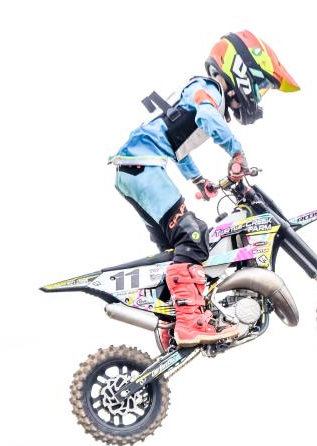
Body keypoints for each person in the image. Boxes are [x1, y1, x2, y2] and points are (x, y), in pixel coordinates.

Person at [109, 30, 300, 347]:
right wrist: (237, 153)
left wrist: (200, 181)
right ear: (241, 70)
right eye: (261, 86)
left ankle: (171, 321)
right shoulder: (207, 89)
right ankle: (190, 322)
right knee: (195, 233)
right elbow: (208, 116)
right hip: (142, 166)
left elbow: (178, 148)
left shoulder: (197, 93)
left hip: (137, 168)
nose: (259, 96)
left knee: (176, 251)